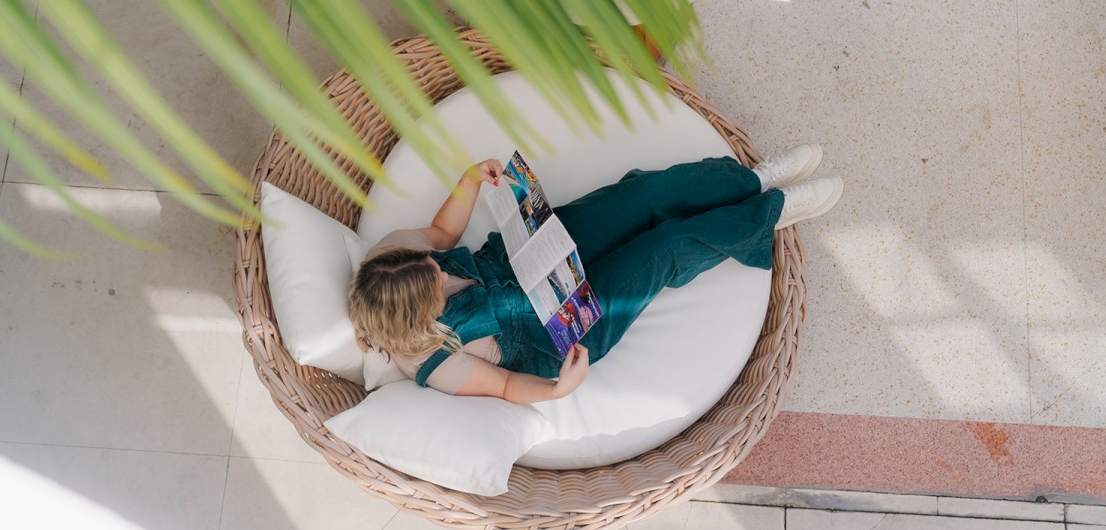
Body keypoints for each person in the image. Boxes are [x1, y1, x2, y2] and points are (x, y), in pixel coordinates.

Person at [348, 146, 843, 404]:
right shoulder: (435, 364)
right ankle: (770, 212)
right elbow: (502, 387)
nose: (436, 266)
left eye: (427, 263)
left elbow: (438, 231)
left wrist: (471, 180)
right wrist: (559, 389)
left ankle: (752, 180)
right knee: (662, 248)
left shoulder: (389, 256)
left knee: (640, 197)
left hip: (530, 254)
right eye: (432, 278)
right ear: (421, 314)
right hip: (564, 326)